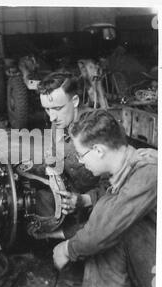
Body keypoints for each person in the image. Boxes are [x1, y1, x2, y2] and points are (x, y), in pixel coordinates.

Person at [52, 110, 157, 287]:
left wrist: (67, 249)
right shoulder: (132, 165)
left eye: (80, 154)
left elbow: (105, 227)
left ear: (99, 150)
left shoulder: (148, 171)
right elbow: (114, 204)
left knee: (109, 237)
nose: (80, 161)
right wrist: (86, 201)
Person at [28, 72, 106, 240]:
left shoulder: (97, 128)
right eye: (47, 109)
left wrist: (84, 200)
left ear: (75, 101)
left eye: (57, 108)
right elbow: (56, 160)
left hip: (99, 203)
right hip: (72, 195)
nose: (52, 117)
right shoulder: (59, 123)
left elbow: (117, 188)